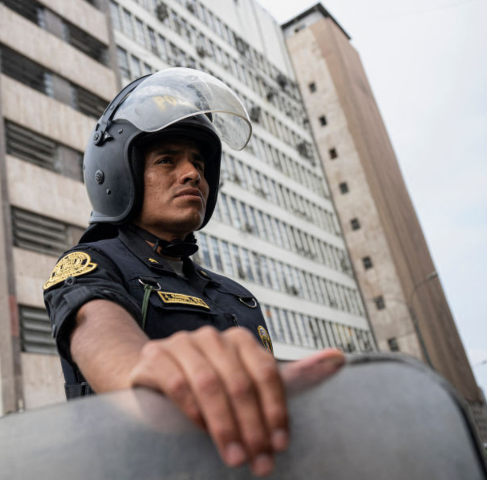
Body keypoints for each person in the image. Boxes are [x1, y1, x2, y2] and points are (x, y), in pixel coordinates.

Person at [44, 68, 345, 477]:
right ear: (118, 172)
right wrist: (144, 370)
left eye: (199, 163)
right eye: (167, 160)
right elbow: (98, 332)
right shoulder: (93, 263)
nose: (192, 174)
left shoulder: (235, 295)